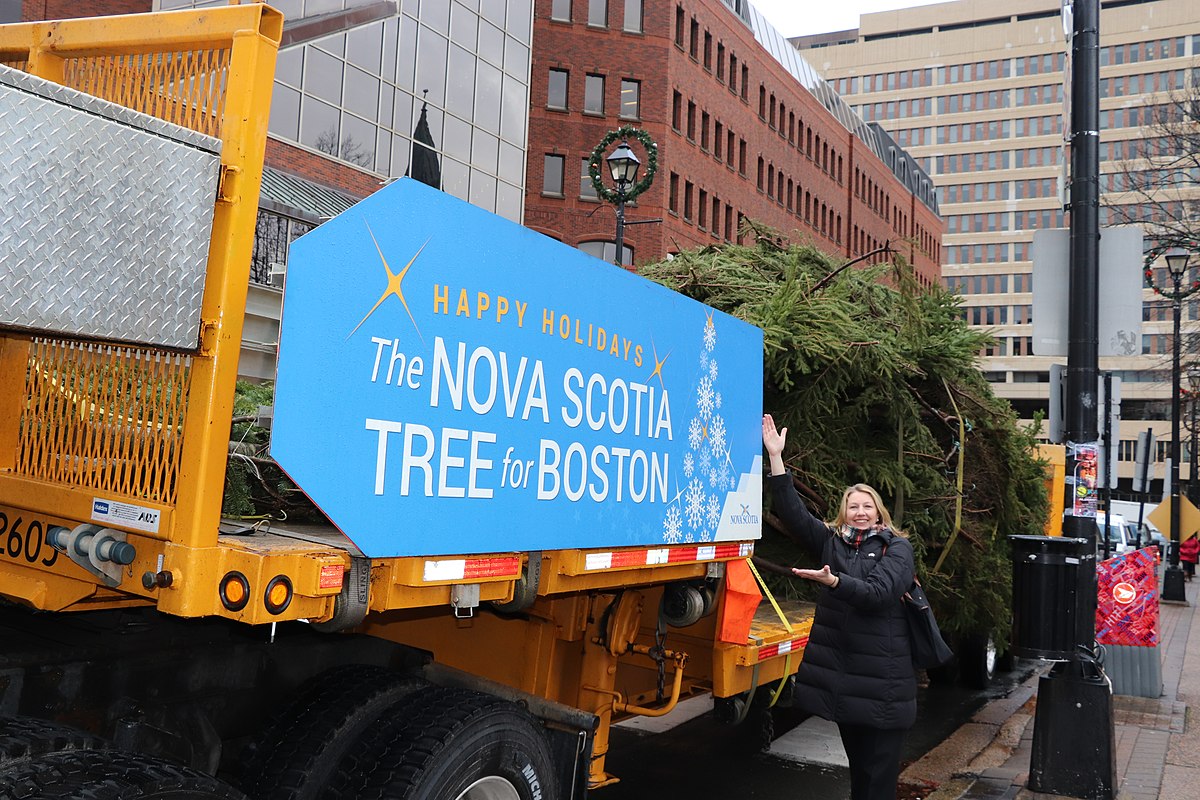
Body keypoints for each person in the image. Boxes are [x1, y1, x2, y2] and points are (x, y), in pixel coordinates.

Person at [762, 413, 916, 800]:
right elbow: (794, 515)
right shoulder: (832, 543)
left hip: (884, 686)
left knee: (877, 783)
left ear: (879, 513)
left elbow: (878, 594)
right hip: (849, 687)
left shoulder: (897, 548)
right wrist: (776, 459)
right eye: (852, 507)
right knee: (860, 777)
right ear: (843, 513)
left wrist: (834, 581)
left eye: (867, 506)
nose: (860, 512)